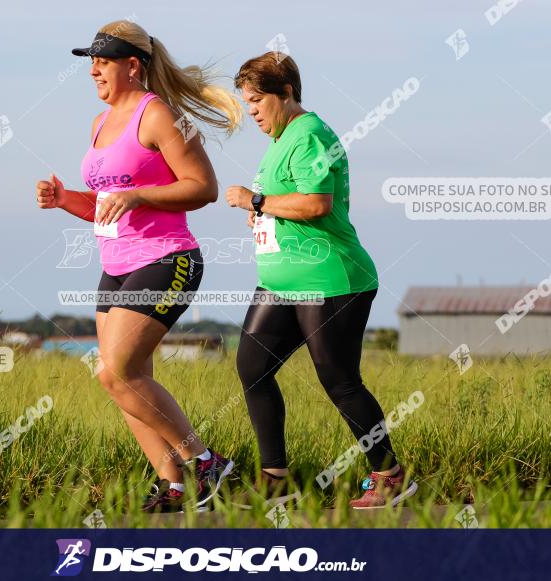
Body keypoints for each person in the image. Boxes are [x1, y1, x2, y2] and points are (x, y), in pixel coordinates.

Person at [36, 20, 241, 512]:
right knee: (125, 379)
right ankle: (175, 484)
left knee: (117, 371)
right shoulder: (100, 123)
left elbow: (204, 187)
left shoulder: (162, 116)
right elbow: (107, 205)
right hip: (116, 265)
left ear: (133, 65)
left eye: (102, 61)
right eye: (90, 62)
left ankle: (207, 463)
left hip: (167, 260)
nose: (93, 71)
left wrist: (138, 194)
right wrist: (67, 199)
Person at [226, 52, 417, 509]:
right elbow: (282, 204)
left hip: (330, 277)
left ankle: (389, 475)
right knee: (253, 369)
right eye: (246, 101)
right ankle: (275, 479)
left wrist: (255, 200)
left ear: (286, 92)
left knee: (339, 380)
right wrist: (262, 213)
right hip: (281, 281)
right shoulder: (279, 138)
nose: (250, 110)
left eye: (256, 100)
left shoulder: (310, 134)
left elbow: (316, 204)